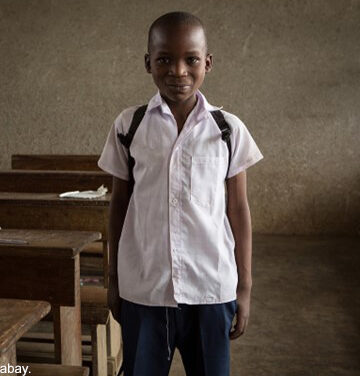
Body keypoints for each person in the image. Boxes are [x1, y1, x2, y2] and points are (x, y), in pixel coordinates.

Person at [98, 11, 263, 376]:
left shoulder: (227, 129)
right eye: (164, 60)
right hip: (145, 289)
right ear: (147, 63)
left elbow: (238, 210)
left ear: (208, 62)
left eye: (190, 59)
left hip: (211, 288)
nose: (178, 71)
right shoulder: (130, 125)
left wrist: (245, 288)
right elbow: (120, 204)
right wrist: (113, 279)